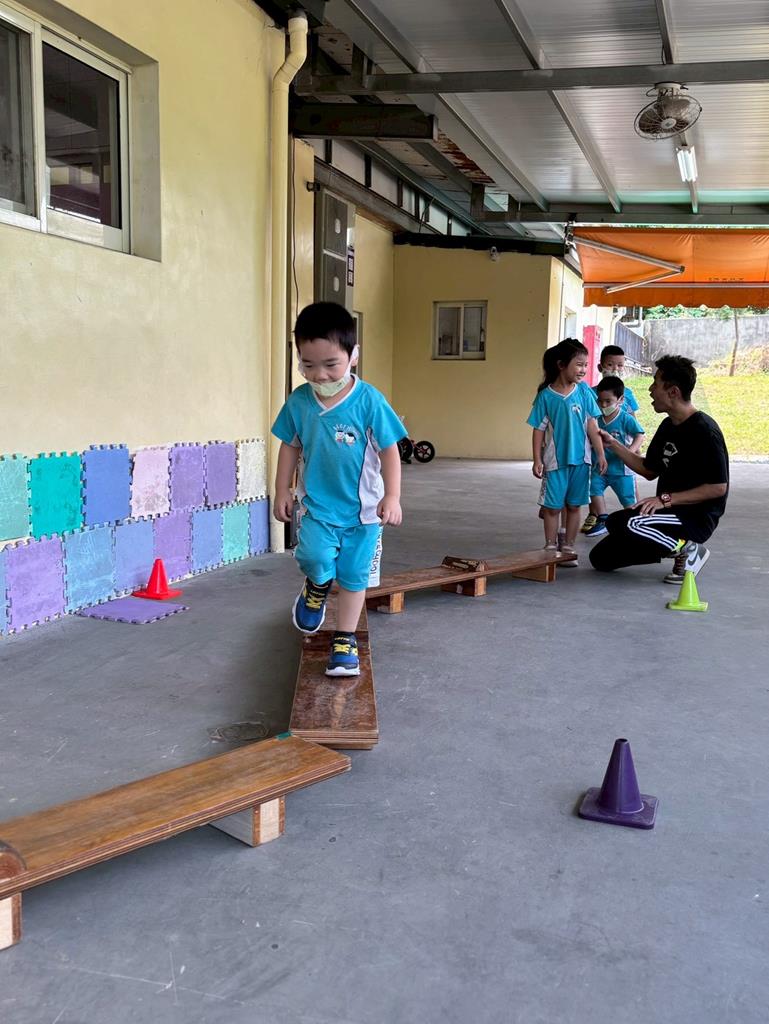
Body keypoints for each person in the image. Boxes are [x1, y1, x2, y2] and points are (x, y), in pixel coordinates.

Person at [272, 302, 405, 676]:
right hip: (318, 507)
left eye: (331, 364)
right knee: (315, 557)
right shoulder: (300, 401)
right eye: (308, 365)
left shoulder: (369, 401)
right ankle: (316, 586)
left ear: (353, 355)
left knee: (354, 576)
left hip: (365, 514)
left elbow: (390, 450)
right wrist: (282, 490)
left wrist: (392, 496)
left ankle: (345, 638)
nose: (319, 374)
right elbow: (289, 446)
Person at [589, 355, 728, 581]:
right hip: (666, 512)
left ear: (673, 392)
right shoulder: (667, 426)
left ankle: (688, 549)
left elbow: (717, 488)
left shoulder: (704, 430)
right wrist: (613, 444)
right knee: (601, 558)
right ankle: (672, 545)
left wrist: (664, 500)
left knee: (621, 521)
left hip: (693, 518)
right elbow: (648, 470)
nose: (650, 390)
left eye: (655, 383)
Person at [528, 338, 607, 566]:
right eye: (579, 364)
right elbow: (538, 430)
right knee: (552, 507)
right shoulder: (545, 396)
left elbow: (592, 425)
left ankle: (568, 546)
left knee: (574, 505)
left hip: (581, 462)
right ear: (561, 365)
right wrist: (537, 459)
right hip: (554, 463)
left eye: (586, 365)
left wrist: (600, 453)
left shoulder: (584, 392)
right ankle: (550, 545)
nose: (583, 370)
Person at [581, 343, 640, 534]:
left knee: (628, 490)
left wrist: (633, 452)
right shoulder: (591, 392)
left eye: (620, 365)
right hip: (598, 451)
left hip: (621, 454)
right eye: (610, 364)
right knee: (594, 485)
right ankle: (595, 516)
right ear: (600, 367)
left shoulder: (627, 393)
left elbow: (634, 423)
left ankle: (637, 519)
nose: (615, 369)